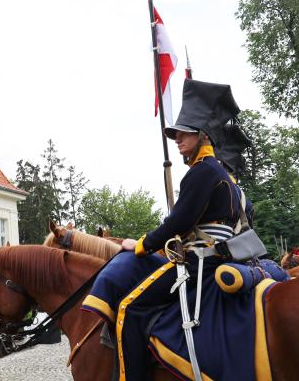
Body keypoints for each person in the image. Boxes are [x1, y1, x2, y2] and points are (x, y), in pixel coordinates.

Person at [82, 79, 245, 380]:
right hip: (221, 256)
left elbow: (179, 223)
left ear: (202, 135)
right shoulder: (224, 176)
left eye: (184, 133)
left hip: (201, 262)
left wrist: (142, 245)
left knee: (130, 308)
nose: (177, 139)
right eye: (176, 134)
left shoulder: (202, 171)